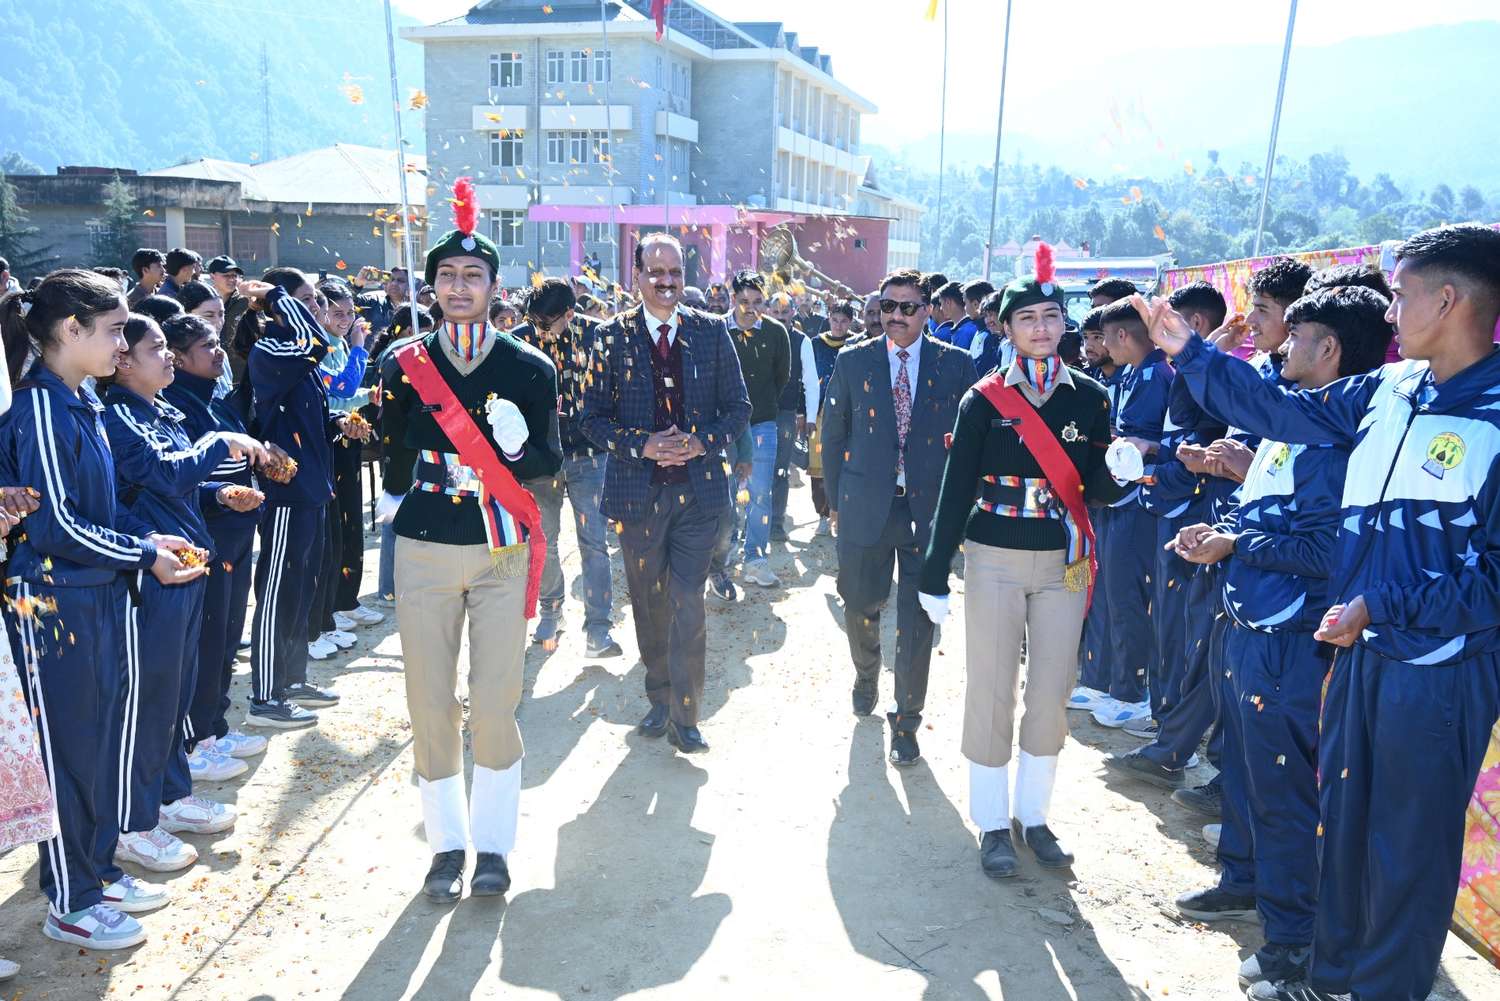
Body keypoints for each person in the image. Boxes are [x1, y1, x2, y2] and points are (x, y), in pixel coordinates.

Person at [1140, 223, 1500, 1001]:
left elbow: (1493, 582)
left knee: (1407, 853)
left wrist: (1380, 603)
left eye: (1400, 295)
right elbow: (1277, 408)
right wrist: (1191, 353)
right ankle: (1330, 980)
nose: (1390, 312)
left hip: (1440, 671)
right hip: (1359, 651)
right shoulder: (1387, 390)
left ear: (1448, 300)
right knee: (1342, 831)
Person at [1163, 287, 1391, 993]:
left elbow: (1326, 550)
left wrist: (1238, 543)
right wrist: (1222, 528)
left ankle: (1294, 943)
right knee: (1251, 777)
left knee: (1287, 796)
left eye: (1295, 335)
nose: (1282, 346)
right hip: (1251, 628)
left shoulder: (1335, 444)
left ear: (1328, 349)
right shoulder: (1289, 424)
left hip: (1292, 642)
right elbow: (1261, 509)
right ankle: (1255, 893)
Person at [0, 270, 204, 950]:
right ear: (71, 329)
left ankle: (96, 872)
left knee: (98, 743)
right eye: (115, 329)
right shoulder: (38, 408)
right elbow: (55, 525)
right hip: (51, 605)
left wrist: (149, 540)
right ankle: (70, 899)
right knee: (67, 752)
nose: (123, 343)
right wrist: (144, 554)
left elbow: (103, 510)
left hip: (99, 594)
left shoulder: (82, 401)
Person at [378, 180, 562, 901]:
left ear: (493, 286)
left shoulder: (530, 368)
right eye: (448, 275)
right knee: (429, 703)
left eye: (473, 275)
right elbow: (393, 459)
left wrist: (517, 448)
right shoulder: (401, 365)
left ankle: (493, 846)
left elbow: (547, 460)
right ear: (431, 287)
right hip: (424, 542)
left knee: (493, 702)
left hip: (500, 546)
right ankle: (446, 845)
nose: (459, 286)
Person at [917, 245, 1118, 875]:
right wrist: (933, 571)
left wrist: (1125, 470)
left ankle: (1034, 816)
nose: (1040, 327)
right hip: (995, 556)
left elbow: (1096, 487)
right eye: (1026, 317)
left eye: (1050, 316)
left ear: (1064, 323)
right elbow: (956, 488)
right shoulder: (983, 400)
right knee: (992, 687)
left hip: (1063, 560)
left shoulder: (1091, 398)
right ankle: (992, 823)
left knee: (1052, 690)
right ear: (1005, 327)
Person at [100, 314, 270, 874]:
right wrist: (218, 442)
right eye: (156, 349)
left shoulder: (159, 411)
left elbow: (178, 487)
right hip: (153, 573)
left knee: (175, 694)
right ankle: (133, 820)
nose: (168, 356)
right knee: (150, 699)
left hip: (186, 565)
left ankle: (170, 796)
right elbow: (162, 475)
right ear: (124, 361)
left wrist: (218, 495)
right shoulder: (118, 416)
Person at [581, 232, 750, 755]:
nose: (666, 281)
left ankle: (685, 714)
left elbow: (739, 408)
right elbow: (590, 418)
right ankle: (658, 695)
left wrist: (702, 442)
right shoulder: (609, 337)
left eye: (675, 272)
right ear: (637, 277)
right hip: (637, 498)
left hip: (699, 497)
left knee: (688, 603)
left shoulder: (712, 331)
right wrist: (643, 445)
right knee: (650, 605)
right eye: (655, 272)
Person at [820, 268, 975, 765]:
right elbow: (834, 433)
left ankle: (906, 720)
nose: (897, 316)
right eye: (889, 306)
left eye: (908, 307)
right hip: (866, 508)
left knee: (918, 619)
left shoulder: (956, 365)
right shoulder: (854, 360)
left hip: (928, 513)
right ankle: (866, 672)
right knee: (860, 604)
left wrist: (961, 511)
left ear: (927, 311)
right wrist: (836, 503)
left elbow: (970, 445)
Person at [243, 270, 356, 728]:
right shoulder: (273, 349)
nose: (316, 309)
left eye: (315, 301)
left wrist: (337, 424)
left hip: (311, 487)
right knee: (278, 592)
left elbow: (300, 417)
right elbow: (315, 340)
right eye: (305, 301)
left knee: (303, 588)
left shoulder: (296, 353)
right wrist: (275, 296)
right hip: (286, 494)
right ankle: (265, 696)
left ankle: (291, 680)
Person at [158, 314, 270, 777]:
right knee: (205, 641)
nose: (218, 350)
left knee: (225, 634)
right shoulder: (175, 405)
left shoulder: (215, 399)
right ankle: (196, 736)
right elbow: (179, 477)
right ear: (180, 357)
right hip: (209, 532)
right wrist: (220, 494)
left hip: (236, 530)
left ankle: (215, 725)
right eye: (207, 345)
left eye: (217, 341)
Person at [512, 278, 621, 658]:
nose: (539, 331)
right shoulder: (520, 340)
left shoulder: (598, 336)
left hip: (590, 456)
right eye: (534, 322)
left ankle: (599, 627)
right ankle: (551, 612)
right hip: (541, 461)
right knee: (543, 541)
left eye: (547, 324)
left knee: (594, 543)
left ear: (570, 314)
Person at [1088, 298, 1174, 729]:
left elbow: (1141, 444)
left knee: (1129, 600)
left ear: (1122, 335)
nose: (1103, 346)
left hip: (1137, 501)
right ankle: (1109, 682)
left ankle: (1132, 693)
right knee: (1109, 593)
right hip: (1117, 500)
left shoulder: (1156, 375)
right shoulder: (1133, 373)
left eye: (1105, 337)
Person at [304, 280, 376, 664]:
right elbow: (343, 388)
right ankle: (329, 609)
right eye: (337, 313)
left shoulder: (340, 343)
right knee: (334, 530)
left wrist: (369, 397)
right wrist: (361, 349)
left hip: (346, 435)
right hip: (328, 442)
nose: (345, 320)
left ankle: (345, 600)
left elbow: (347, 396)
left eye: (350, 313)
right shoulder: (322, 347)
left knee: (349, 526)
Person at [724, 272, 790, 585]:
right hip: (723, 427)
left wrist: (759, 405)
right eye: (743, 301)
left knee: (760, 492)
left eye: (757, 301)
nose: (750, 308)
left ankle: (755, 558)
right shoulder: (717, 330)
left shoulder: (776, 332)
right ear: (732, 298)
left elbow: (781, 377)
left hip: (762, 422)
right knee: (723, 493)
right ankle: (724, 551)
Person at [800, 299, 859, 536]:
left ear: (850, 322)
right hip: (820, 411)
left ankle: (844, 514)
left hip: (849, 412)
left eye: (844, 321)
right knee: (819, 465)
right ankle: (822, 515)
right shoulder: (816, 343)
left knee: (847, 463)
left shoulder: (857, 344)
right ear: (829, 319)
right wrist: (804, 412)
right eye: (835, 320)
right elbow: (806, 379)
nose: (838, 325)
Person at [764, 292, 807, 544]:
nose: (780, 317)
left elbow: (808, 381)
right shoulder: (756, 335)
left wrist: (805, 414)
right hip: (758, 414)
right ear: (768, 312)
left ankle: (777, 523)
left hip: (786, 414)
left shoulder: (801, 341)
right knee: (755, 470)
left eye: (785, 312)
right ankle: (751, 523)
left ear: (793, 312)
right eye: (776, 312)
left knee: (780, 470)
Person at [352, 265, 410, 340]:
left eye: (400, 281)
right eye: (391, 279)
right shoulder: (372, 301)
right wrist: (356, 285)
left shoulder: (415, 309)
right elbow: (345, 301)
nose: (394, 283)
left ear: (410, 285)